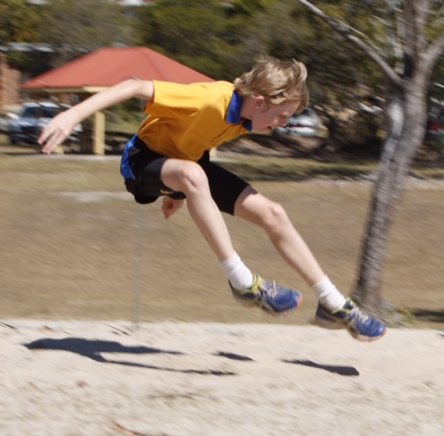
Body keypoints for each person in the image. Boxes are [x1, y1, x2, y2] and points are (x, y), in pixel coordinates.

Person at [38, 56, 387, 342]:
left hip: (186, 168)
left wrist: (178, 189)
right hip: (142, 162)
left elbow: (196, 141)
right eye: (282, 116)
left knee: (274, 213)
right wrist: (73, 115)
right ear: (261, 102)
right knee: (194, 176)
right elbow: (133, 85)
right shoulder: (208, 98)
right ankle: (242, 283)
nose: (283, 124)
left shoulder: (247, 115)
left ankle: (333, 303)